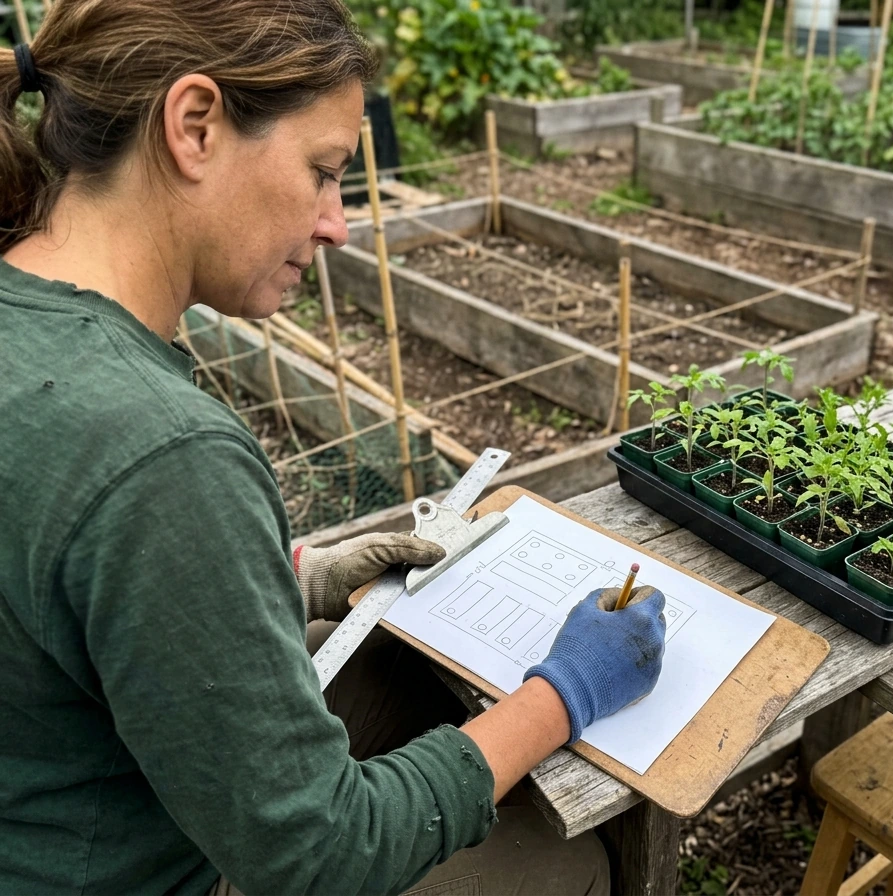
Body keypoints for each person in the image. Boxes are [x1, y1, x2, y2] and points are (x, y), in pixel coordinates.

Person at [0, 2, 668, 894]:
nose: (336, 224)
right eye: (322, 172)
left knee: (396, 671)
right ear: (194, 125)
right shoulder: (160, 452)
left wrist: (295, 577)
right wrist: (566, 692)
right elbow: (318, 856)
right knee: (561, 863)